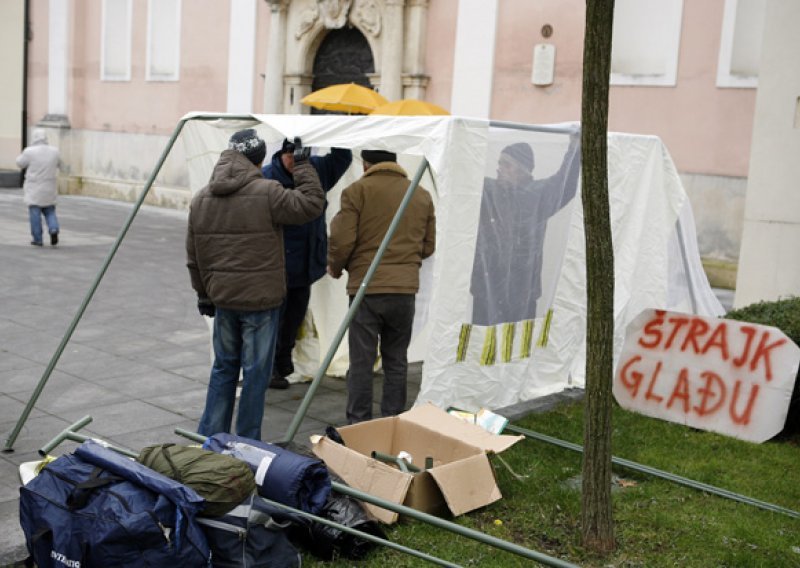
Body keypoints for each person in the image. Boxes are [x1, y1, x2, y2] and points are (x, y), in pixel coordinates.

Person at [186, 129, 323, 440]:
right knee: (256, 375)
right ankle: (246, 441)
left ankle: (211, 436)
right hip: (261, 301)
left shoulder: (202, 198)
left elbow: (194, 256)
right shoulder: (268, 191)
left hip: (223, 299)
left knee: (223, 369)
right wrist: (302, 166)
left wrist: (203, 295)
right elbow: (311, 204)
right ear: (258, 160)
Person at [327, 150, 436, 424]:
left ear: (366, 164)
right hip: (404, 290)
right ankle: (393, 420)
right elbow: (428, 245)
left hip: (367, 289)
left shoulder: (356, 191)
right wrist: (404, 263)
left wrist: (336, 267)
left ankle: (359, 422)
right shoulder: (420, 195)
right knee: (397, 359)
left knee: (362, 361)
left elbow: (342, 239)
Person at [262, 139, 352, 389]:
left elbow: (342, 159)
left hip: (307, 262)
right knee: (274, 319)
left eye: (299, 157)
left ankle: (284, 360)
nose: (293, 162)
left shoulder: (317, 169)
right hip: (278, 264)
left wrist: (335, 129)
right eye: (290, 156)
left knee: (295, 316)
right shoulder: (268, 178)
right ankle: (269, 369)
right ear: (282, 153)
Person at [470, 133, 580, 325]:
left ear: (523, 170)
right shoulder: (487, 190)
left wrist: (576, 148)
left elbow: (566, 182)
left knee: (517, 349)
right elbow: (462, 176)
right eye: (499, 163)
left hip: (522, 292)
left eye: (506, 164)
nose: (499, 169)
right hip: (486, 290)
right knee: (483, 349)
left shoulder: (538, 195)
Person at [16, 128, 61, 247]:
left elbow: (20, 163)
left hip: (34, 187)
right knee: (50, 211)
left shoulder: (29, 151)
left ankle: (38, 239)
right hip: (49, 186)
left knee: (35, 213)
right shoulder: (54, 151)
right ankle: (53, 228)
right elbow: (60, 164)